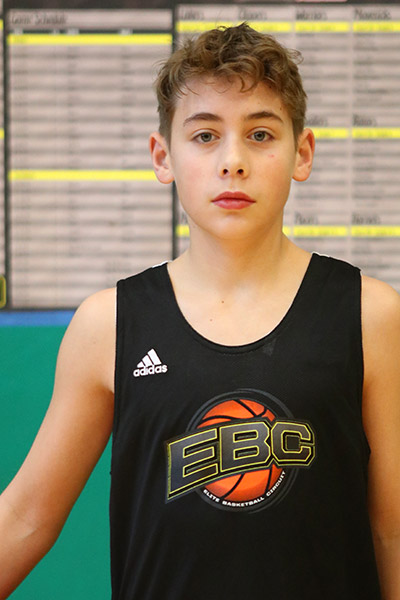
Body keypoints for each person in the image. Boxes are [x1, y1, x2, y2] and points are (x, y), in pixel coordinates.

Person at [1, 23, 399, 600]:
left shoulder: (370, 315)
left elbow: (392, 530)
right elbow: (25, 518)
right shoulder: (109, 325)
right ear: (163, 156)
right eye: (205, 136)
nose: (233, 161)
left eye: (260, 134)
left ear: (302, 153)